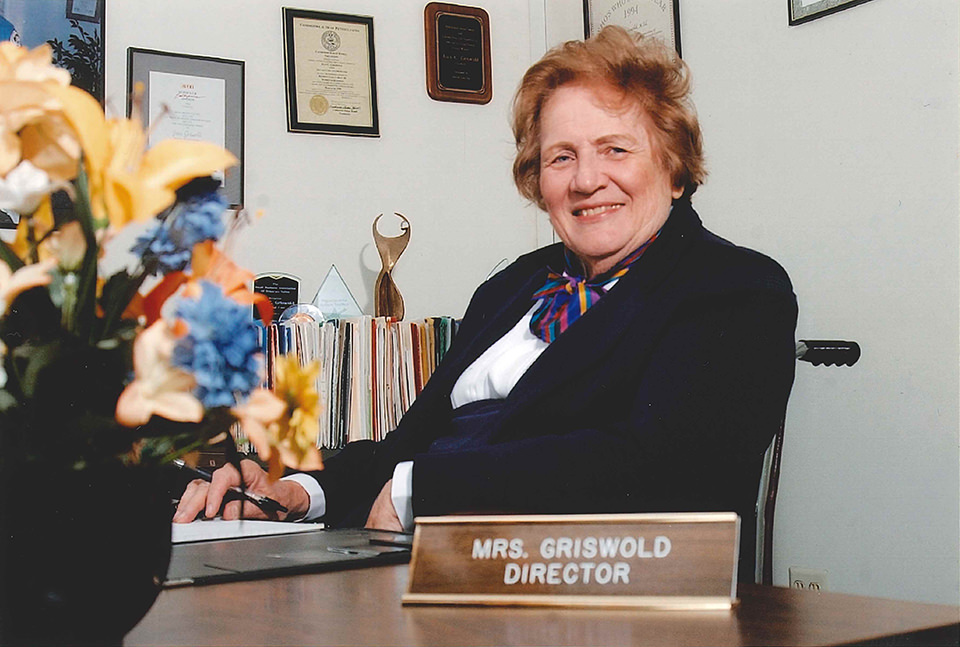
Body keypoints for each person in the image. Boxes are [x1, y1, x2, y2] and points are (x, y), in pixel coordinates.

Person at [174, 26, 797, 581]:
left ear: (676, 166)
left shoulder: (736, 288)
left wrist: (423, 491)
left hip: (581, 597)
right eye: (561, 157)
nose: (585, 180)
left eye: (616, 149)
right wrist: (294, 490)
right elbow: (407, 447)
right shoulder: (514, 285)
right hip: (413, 566)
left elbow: (660, 468)